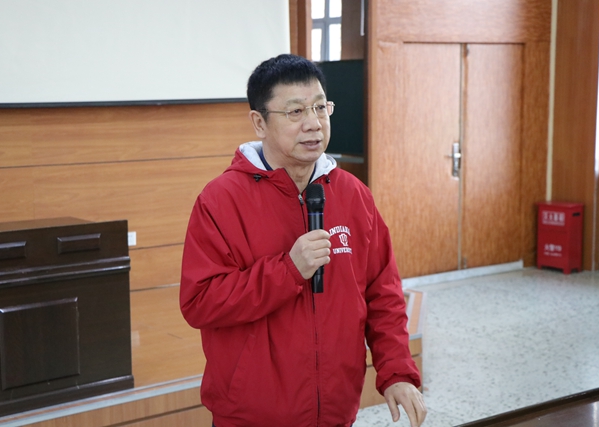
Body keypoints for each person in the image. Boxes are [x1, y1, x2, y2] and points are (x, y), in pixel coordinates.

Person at [179, 53, 426, 427]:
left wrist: (397, 372)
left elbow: (382, 294)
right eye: (295, 112)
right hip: (251, 416)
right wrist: (289, 271)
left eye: (320, 108)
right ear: (259, 122)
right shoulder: (220, 200)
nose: (313, 123)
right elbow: (199, 303)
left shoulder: (353, 195)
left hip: (335, 412)